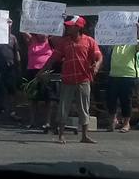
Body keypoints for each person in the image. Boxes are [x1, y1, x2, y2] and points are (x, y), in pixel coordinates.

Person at [38, 16, 101, 145]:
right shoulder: (64, 42)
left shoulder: (89, 41)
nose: (67, 27)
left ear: (78, 27)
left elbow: (99, 56)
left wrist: (97, 66)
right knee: (63, 108)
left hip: (84, 80)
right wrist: (42, 70)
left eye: (70, 26)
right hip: (68, 80)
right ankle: (61, 135)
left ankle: (84, 135)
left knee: (84, 108)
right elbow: (53, 58)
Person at [107, 23, 139, 133]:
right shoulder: (114, 44)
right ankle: (113, 122)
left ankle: (126, 124)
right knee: (111, 100)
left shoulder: (133, 44)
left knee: (126, 101)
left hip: (128, 76)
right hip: (114, 75)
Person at [20, 32, 54, 130]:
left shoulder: (51, 41)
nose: (42, 35)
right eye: (40, 33)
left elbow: (61, 32)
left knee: (48, 98)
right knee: (32, 97)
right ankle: (32, 121)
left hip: (46, 73)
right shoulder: (31, 41)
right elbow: (23, 30)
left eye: (45, 33)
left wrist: (61, 20)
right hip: (32, 71)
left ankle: (47, 122)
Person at [0, 19, 22, 121]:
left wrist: (18, 64)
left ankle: (12, 111)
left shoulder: (13, 38)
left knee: (12, 90)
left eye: (10, 25)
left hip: (11, 67)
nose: (8, 27)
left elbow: (16, 51)